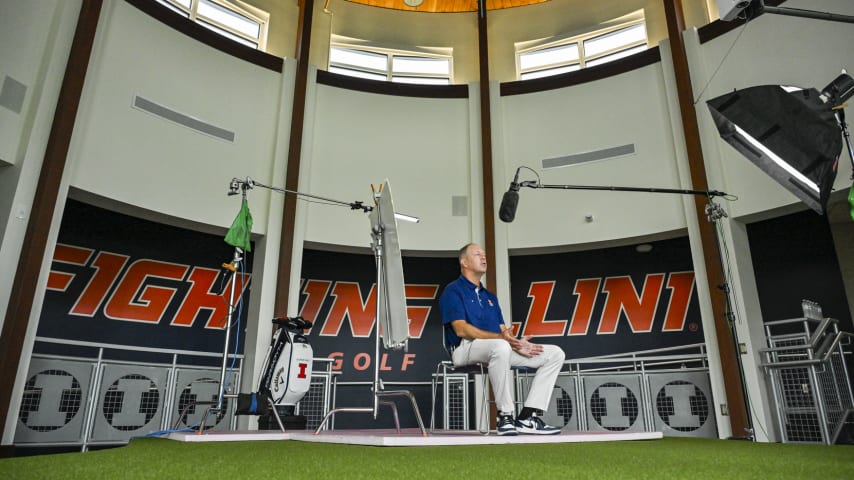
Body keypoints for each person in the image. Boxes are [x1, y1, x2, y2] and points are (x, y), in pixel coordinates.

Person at [439, 243, 565, 436]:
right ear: (464, 262)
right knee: (500, 346)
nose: (483, 257)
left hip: (498, 349)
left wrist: (517, 343)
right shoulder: (453, 290)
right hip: (463, 349)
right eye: (477, 254)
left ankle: (527, 417)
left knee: (555, 353)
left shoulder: (490, 297)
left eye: (484, 254)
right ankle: (505, 415)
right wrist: (502, 339)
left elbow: (503, 332)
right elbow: (461, 329)